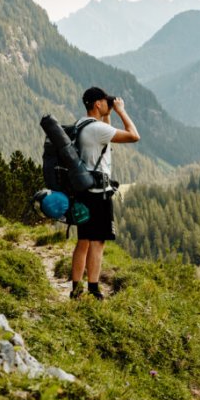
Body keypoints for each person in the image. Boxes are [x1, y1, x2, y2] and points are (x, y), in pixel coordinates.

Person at [70, 86, 140, 300]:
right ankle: (93, 289)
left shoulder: (83, 125)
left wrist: (108, 115)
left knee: (84, 240)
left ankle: (76, 289)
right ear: (97, 103)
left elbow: (105, 141)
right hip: (98, 192)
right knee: (97, 241)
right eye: (105, 102)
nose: (108, 104)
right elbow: (133, 136)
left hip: (84, 189)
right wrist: (121, 111)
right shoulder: (97, 129)